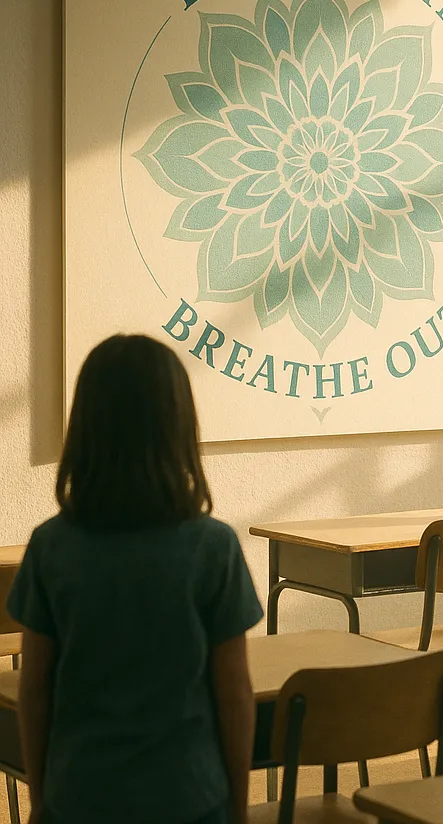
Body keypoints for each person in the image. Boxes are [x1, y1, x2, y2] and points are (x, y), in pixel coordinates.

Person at [9, 335, 264, 824]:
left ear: (83, 430)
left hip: (80, 796)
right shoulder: (213, 548)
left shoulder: (50, 548)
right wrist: (235, 809)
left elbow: (35, 688)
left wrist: (42, 801)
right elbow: (234, 692)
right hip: (189, 797)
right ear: (179, 429)